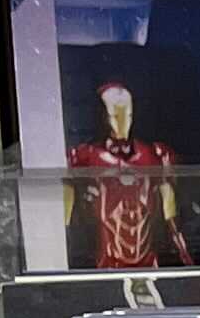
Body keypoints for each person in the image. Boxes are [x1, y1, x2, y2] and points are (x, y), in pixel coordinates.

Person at [65, 80, 188, 271]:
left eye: (128, 116)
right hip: (104, 262)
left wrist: (186, 259)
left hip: (148, 260)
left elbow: (171, 217)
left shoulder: (155, 155)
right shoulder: (83, 158)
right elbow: (64, 222)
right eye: (115, 116)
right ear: (103, 117)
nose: (122, 124)